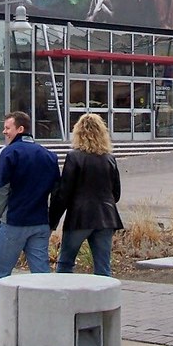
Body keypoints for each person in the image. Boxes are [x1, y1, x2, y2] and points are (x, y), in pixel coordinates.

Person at [0, 111, 59, 339]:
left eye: (7, 128)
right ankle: (49, 319)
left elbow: (0, 189)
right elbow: (57, 191)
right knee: (41, 274)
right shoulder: (49, 156)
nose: (4, 132)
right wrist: (51, 220)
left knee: (1, 273)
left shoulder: (10, 153)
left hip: (13, 222)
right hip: (39, 222)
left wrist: (0, 214)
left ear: (20, 129)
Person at [49, 113, 123, 276]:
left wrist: (52, 221)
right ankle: (104, 293)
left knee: (65, 264)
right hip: (106, 217)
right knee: (103, 267)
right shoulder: (109, 158)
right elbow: (116, 193)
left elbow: (64, 193)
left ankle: (64, 292)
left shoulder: (74, 157)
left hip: (79, 217)